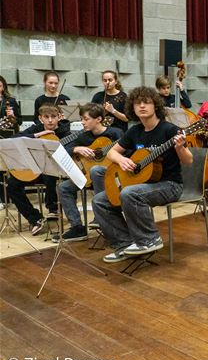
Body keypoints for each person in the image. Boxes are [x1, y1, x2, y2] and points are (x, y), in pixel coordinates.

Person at [92, 87, 192, 263]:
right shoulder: (134, 131)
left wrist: (179, 148)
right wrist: (121, 160)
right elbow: (111, 153)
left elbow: (188, 161)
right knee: (99, 200)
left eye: (147, 102)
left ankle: (149, 239)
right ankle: (124, 245)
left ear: (156, 106)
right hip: (144, 184)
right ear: (132, 108)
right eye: (138, 103)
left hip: (170, 184)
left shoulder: (169, 130)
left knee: (129, 193)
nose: (142, 106)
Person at [52, 103, 122, 242]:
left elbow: (128, 151)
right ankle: (77, 228)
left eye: (86, 119)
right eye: (82, 119)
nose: (82, 122)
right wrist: (76, 149)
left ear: (99, 119)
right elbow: (62, 150)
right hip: (89, 176)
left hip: (114, 176)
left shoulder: (115, 133)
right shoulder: (83, 137)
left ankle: (101, 214)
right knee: (63, 187)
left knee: (96, 170)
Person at [8, 104, 72, 234]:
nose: (50, 120)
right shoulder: (36, 128)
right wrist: (38, 135)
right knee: (11, 185)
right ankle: (35, 218)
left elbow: (71, 151)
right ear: (40, 118)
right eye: (46, 117)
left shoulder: (65, 132)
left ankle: (53, 209)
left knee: (49, 173)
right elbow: (13, 138)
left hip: (55, 171)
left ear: (59, 117)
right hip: (33, 170)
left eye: (53, 117)